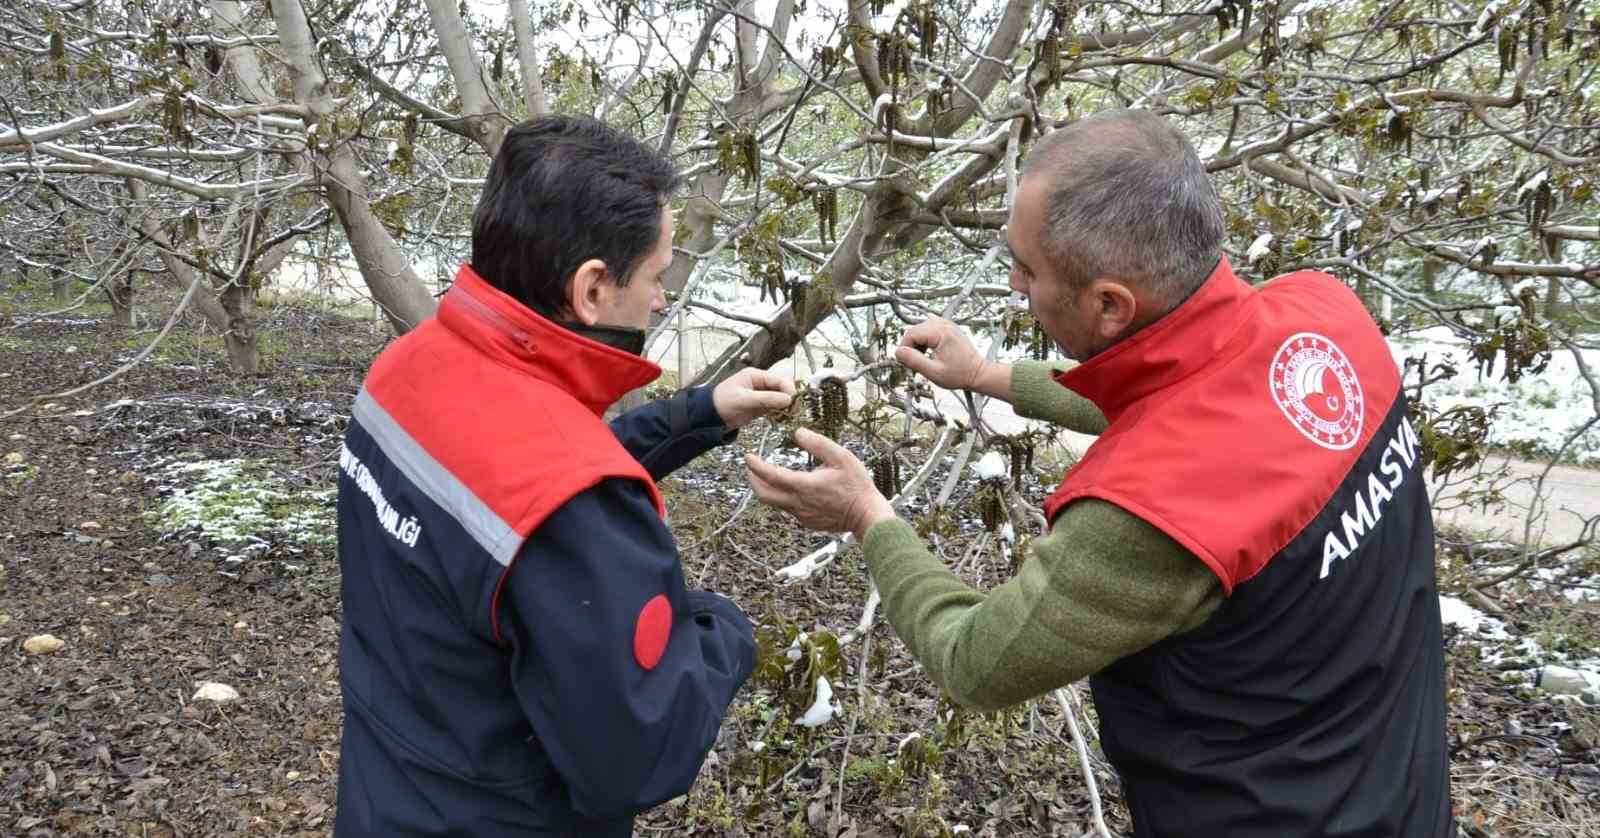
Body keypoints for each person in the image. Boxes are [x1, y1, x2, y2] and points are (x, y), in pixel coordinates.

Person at [745, 109, 1453, 837]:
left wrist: (867, 514)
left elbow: (974, 660)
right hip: (1406, 793)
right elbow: (1180, 392)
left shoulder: (1144, 517)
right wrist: (986, 375)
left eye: (1028, 268)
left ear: (1110, 305)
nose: (1015, 284)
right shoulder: (1325, 320)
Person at [334, 115, 793, 836]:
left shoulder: (409, 368)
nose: (662, 298)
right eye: (657, 274)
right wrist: (721, 627)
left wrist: (702, 413)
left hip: (383, 792)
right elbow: (639, 757)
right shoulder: (569, 504)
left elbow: (520, 478)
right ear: (592, 289)